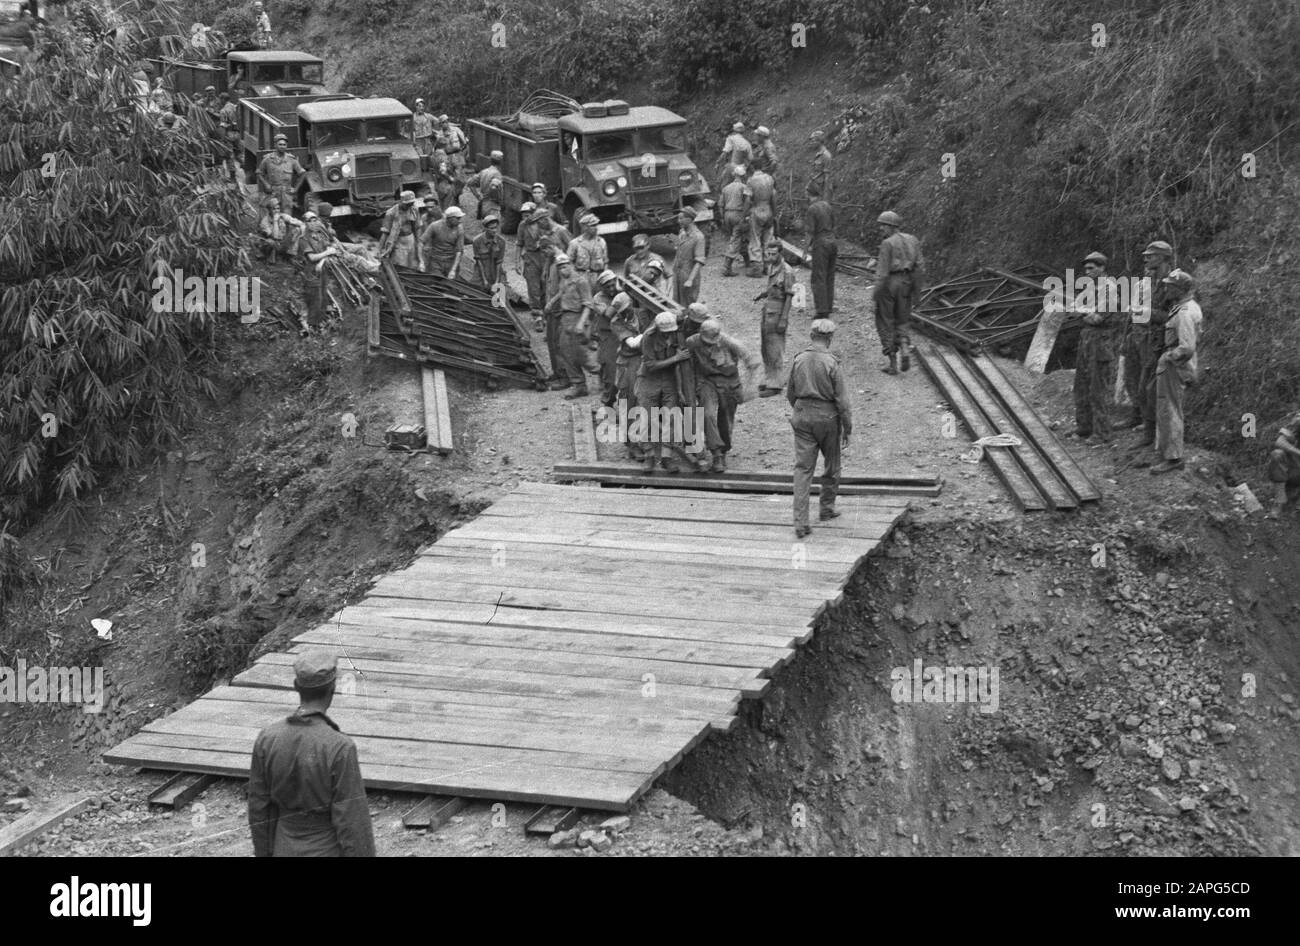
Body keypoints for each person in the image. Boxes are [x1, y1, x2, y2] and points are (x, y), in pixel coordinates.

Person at [247, 649, 375, 857]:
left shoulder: (267, 739)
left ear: (297, 686)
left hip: (284, 847)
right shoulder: (340, 747)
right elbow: (353, 822)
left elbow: (259, 809)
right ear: (332, 689)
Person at [787, 319, 852, 538]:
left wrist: (802, 409)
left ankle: (800, 523)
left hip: (803, 415)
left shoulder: (798, 359)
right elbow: (843, 401)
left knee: (803, 469)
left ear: (811, 336)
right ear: (829, 338)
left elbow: (791, 393)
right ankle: (826, 509)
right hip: (828, 418)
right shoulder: (832, 363)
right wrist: (847, 427)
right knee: (832, 465)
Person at [685, 316, 759, 472]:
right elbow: (687, 365)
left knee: (725, 418)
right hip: (707, 381)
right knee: (708, 414)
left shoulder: (728, 341)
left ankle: (723, 451)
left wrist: (749, 385)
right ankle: (716, 453)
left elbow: (751, 360)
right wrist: (690, 388)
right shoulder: (692, 342)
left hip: (729, 382)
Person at [1147, 269, 1202, 474]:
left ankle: (1174, 458)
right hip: (1175, 364)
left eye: (1170, 286)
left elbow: (1187, 347)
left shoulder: (1185, 312)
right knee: (1167, 407)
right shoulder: (1184, 307)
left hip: (1175, 365)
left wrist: (1170, 357)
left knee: (1170, 409)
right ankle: (1167, 451)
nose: (1166, 289)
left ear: (1180, 289)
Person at [632, 311, 692, 473]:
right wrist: (675, 359)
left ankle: (666, 456)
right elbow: (650, 364)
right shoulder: (648, 338)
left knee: (671, 417)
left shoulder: (678, 335)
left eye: (672, 331)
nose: (669, 334)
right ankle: (649, 454)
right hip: (648, 379)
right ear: (657, 329)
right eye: (666, 332)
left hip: (669, 380)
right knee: (646, 417)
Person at [1071, 251, 1121, 444]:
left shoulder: (1109, 289)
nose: (1087, 271)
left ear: (1102, 268)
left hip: (1101, 341)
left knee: (1098, 388)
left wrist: (1081, 313)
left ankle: (1102, 433)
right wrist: (1083, 313)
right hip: (1087, 339)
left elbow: (1097, 318)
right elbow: (1081, 312)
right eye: (1086, 268)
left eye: (1091, 268)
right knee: (1081, 384)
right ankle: (1084, 427)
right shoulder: (1091, 288)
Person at [1134, 240, 1177, 449]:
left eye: (1151, 255)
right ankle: (1149, 434)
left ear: (1162, 257)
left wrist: (1150, 314)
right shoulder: (1151, 280)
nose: (1147, 259)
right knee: (1145, 390)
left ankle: (1156, 437)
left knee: (1155, 392)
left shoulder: (1174, 282)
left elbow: (1177, 314)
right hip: (1150, 343)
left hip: (1166, 346)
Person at [873, 209, 923, 375]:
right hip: (906, 283)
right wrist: (917, 292)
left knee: (885, 321)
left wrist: (875, 296)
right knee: (902, 320)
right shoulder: (913, 240)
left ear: (891, 227)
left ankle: (893, 363)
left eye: (883, 226)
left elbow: (882, 273)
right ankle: (904, 346)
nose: (881, 229)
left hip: (889, 284)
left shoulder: (887, 244)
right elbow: (920, 267)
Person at [544, 254, 599, 398]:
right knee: (566, 354)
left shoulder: (581, 281)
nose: (562, 270)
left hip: (578, 318)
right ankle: (579, 385)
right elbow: (561, 292)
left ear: (571, 265)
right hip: (565, 319)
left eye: (564, 266)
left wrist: (581, 323)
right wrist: (551, 303)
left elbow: (588, 304)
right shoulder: (564, 280)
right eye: (559, 268)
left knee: (583, 356)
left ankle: (607, 376)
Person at [757, 240, 794, 396]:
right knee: (766, 347)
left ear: (780, 253)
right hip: (768, 310)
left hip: (778, 311)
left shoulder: (787, 271)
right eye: (768, 253)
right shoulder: (772, 266)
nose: (770, 256)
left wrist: (784, 318)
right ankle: (769, 378)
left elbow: (789, 295)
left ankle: (776, 384)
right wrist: (763, 294)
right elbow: (773, 287)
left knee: (775, 348)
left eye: (773, 254)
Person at [591, 270, 632, 407]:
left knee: (628, 373)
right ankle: (607, 403)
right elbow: (608, 314)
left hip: (625, 334)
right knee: (611, 373)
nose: (611, 289)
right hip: (608, 337)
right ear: (602, 287)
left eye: (612, 285)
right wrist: (620, 299)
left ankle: (626, 405)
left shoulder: (622, 293)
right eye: (607, 286)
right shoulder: (598, 299)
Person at [298, 205, 339, 330]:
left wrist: (322, 261)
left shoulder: (318, 235)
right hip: (311, 273)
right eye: (310, 221)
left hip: (322, 270)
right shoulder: (303, 239)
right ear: (305, 223)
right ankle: (313, 327)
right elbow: (312, 258)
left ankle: (321, 324)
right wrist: (327, 253)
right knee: (315, 299)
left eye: (315, 219)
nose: (314, 223)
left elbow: (329, 248)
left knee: (323, 298)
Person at [803, 180, 836, 316]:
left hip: (821, 244)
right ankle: (828, 306)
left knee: (818, 277)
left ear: (808, 193)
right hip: (832, 243)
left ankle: (822, 311)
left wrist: (805, 251)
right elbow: (834, 224)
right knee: (830, 276)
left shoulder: (812, 209)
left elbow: (810, 232)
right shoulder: (828, 206)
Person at [519, 205, 550, 331]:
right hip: (530, 257)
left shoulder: (541, 224)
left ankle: (546, 315)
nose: (525, 216)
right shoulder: (522, 225)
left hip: (543, 256)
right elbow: (519, 243)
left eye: (528, 214)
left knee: (546, 287)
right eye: (523, 214)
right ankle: (537, 317)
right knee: (533, 288)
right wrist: (517, 262)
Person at [1266, 409, 1300, 519]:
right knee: (1277, 455)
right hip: (1293, 467)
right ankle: (1279, 501)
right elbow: (1280, 441)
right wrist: (1297, 452)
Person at [258, 134, 304, 213]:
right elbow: (259, 173)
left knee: (287, 215)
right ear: (275, 145)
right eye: (280, 144)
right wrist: (266, 185)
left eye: (284, 145)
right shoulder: (268, 159)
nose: (282, 146)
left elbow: (303, 174)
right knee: (272, 214)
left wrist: (296, 189)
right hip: (273, 191)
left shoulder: (291, 159)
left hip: (287, 192)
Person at [718, 165, 750, 277]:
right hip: (738, 214)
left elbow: (720, 205)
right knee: (736, 239)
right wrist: (744, 216)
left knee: (737, 237)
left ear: (734, 175)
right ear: (743, 175)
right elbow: (747, 202)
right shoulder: (744, 187)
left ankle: (747, 261)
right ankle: (726, 267)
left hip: (727, 215)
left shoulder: (726, 188)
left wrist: (722, 218)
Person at [378, 190, 422, 269]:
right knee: (401, 266)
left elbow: (417, 227)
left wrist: (418, 243)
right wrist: (380, 250)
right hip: (398, 241)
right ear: (402, 202)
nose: (410, 205)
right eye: (408, 204)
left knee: (413, 265)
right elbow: (385, 233)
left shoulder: (414, 209)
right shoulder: (391, 213)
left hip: (411, 239)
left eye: (411, 203)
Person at [746, 164, 776, 277]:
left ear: (752, 168)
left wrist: (744, 214)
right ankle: (769, 267)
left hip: (757, 210)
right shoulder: (769, 178)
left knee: (755, 238)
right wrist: (774, 213)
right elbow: (774, 197)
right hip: (768, 209)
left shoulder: (751, 180)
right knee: (768, 239)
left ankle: (756, 268)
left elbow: (748, 200)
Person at [420, 204, 467, 277]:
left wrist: (453, 270)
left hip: (451, 261)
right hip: (436, 261)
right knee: (437, 283)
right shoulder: (435, 226)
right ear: (450, 218)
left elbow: (459, 251)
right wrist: (421, 262)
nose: (459, 221)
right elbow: (421, 242)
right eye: (457, 218)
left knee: (452, 285)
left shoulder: (459, 229)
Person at [673, 206, 706, 306]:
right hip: (678, 273)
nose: (679, 221)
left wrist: (690, 280)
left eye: (681, 218)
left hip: (688, 274)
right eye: (678, 218)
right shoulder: (682, 233)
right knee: (676, 302)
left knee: (688, 303)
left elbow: (699, 262)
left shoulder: (698, 237)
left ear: (690, 219)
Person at [568, 214, 609, 293]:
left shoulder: (601, 242)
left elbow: (606, 262)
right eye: (592, 226)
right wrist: (575, 278)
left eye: (596, 225)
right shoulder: (575, 243)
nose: (596, 228)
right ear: (585, 228)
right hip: (582, 277)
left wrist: (605, 277)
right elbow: (569, 262)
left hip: (597, 278)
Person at [471, 213, 507, 288]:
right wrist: (484, 280)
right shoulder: (477, 241)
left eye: (496, 227)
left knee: (502, 291)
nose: (494, 230)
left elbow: (499, 262)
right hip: (481, 270)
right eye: (491, 228)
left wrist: (497, 281)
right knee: (476, 289)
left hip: (495, 269)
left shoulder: (501, 241)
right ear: (485, 228)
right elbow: (479, 261)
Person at [717, 120, 752, 190]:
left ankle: (723, 199)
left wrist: (718, 162)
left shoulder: (731, 139)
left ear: (734, 130)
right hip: (742, 168)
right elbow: (750, 158)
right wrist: (745, 168)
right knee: (742, 189)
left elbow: (725, 152)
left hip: (731, 166)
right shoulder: (747, 143)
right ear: (743, 132)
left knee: (723, 186)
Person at [809, 130, 833, 199]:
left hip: (822, 190)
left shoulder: (826, 155)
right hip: (815, 188)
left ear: (819, 141)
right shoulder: (818, 154)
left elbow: (827, 177)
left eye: (813, 141)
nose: (811, 143)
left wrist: (825, 195)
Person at [412, 99, 435, 167]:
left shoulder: (428, 116)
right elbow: (411, 131)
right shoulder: (412, 117)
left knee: (429, 157)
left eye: (422, 106)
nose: (421, 108)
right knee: (420, 158)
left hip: (427, 140)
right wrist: (413, 142)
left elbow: (438, 121)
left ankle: (431, 173)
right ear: (416, 107)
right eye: (419, 106)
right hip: (418, 141)